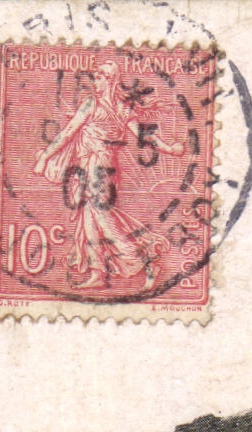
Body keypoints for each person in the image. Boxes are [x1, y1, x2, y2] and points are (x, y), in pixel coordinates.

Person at [33, 59, 186, 291]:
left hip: (99, 164)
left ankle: (146, 261)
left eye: (100, 76)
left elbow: (67, 134)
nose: (96, 81)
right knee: (89, 219)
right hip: (95, 166)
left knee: (102, 217)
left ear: (111, 80)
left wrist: (45, 156)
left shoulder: (94, 105)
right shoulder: (120, 108)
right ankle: (98, 274)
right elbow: (142, 135)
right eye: (96, 76)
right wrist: (169, 148)